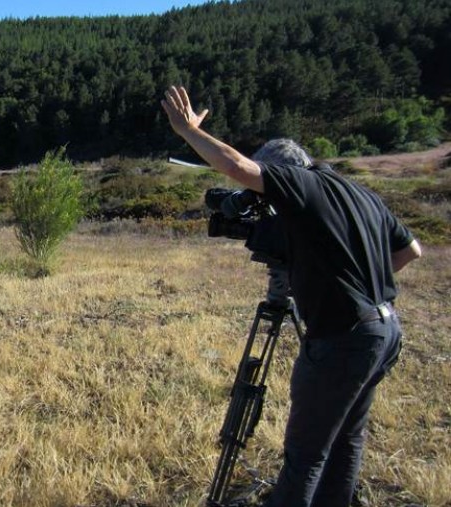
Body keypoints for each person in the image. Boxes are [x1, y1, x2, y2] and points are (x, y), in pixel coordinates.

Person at [160, 85, 422, 507]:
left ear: (284, 175)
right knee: (346, 442)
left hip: (344, 337)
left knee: (305, 457)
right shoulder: (359, 193)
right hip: (385, 330)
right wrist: (351, 276)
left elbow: (237, 166)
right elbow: (410, 250)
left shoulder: (300, 184)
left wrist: (188, 130)